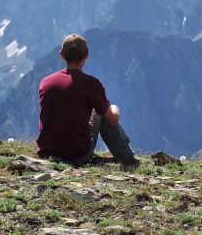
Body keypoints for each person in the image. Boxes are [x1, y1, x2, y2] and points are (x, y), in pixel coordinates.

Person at [36, 34, 138, 167]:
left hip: (46, 153)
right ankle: (127, 158)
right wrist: (114, 109)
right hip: (77, 155)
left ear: (62, 55)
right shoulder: (92, 84)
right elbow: (112, 120)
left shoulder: (46, 82)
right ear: (86, 55)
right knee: (102, 111)